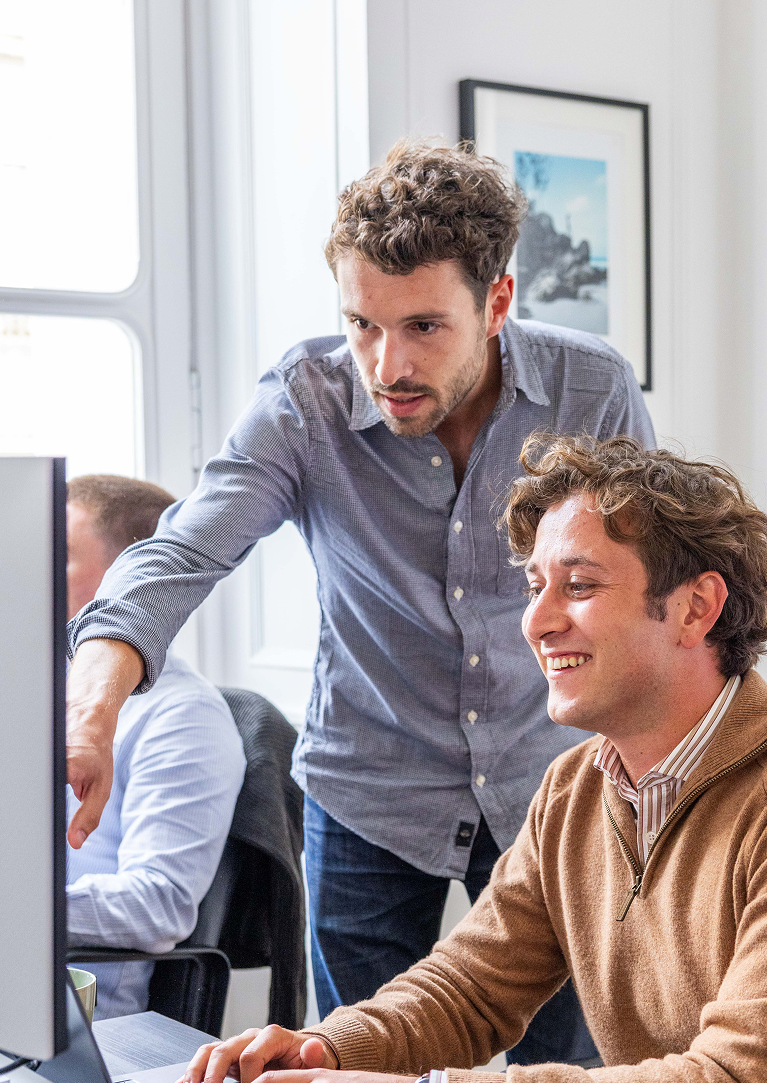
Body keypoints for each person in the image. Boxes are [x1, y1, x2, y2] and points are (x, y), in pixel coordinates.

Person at [64, 141, 654, 1061]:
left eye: (424, 326)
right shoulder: (306, 401)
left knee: (572, 1065)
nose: (388, 365)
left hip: (556, 782)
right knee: (351, 1063)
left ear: (497, 301)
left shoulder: (592, 388)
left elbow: (645, 581)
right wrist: (94, 701)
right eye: (362, 325)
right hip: (370, 794)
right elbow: (184, 548)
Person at [183, 434, 767, 1083]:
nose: (536, 621)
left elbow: (740, 1075)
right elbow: (468, 989)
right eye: (535, 586)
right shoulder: (576, 786)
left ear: (695, 608)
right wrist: (323, 1048)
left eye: (579, 585)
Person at [65, 475, 246, 1019]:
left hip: (79, 1017)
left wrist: (19, 910)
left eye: (62, 554)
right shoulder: (38, 690)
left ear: (130, 579)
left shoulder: (183, 714)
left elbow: (157, 904)